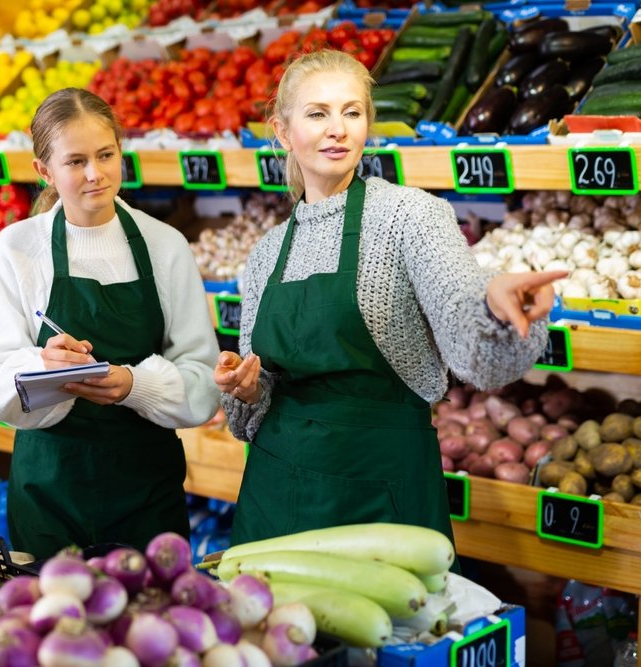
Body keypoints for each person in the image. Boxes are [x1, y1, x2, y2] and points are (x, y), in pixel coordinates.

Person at [213, 50, 566, 548]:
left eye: (352, 112)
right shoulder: (267, 251)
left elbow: (465, 322)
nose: (338, 129)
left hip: (383, 491)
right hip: (276, 493)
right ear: (283, 132)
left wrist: (492, 304)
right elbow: (259, 393)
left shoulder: (410, 216)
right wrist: (246, 389)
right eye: (318, 113)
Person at [0, 88, 220, 559]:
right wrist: (43, 366)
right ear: (44, 171)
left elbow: (203, 382)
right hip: (48, 494)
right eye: (76, 161)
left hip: (146, 493)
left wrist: (135, 386)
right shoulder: (18, 248)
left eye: (106, 155)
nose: (96, 173)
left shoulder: (165, 245)